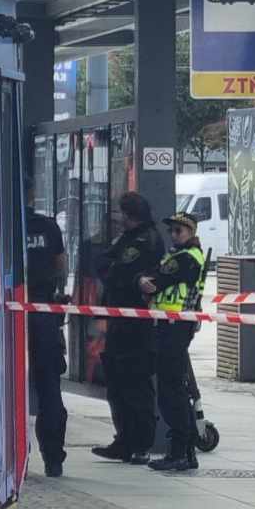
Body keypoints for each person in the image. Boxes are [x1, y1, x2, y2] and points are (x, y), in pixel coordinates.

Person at [90, 193, 163, 462]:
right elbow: (102, 263)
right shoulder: (126, 239)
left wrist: (117, 274)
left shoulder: (146, 240)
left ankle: (140, 443)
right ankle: (123, 440)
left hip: (137, 324)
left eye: (120, 213)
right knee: (117, 383)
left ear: (131, 214)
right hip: (119, 321)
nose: (117, 218)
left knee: (136, 383)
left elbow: (118, 272)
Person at [146, 213, 208, 472]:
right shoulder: (176, 255)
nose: (173, 235)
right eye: (171, 231)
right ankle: (182, 450)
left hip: (176, 328)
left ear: (191, 232)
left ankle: (181, 450)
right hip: (170, 327)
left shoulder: (186, 258)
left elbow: (158, 281)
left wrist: (146, 281)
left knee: (173, 391)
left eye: (179, 231)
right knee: (172, 388)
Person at [24, 206, 70, 477]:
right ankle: (53, 457)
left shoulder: (0, 222)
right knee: (49, 389)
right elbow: (61, 264)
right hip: (43, 313)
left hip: (7, 318)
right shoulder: (47, 226)